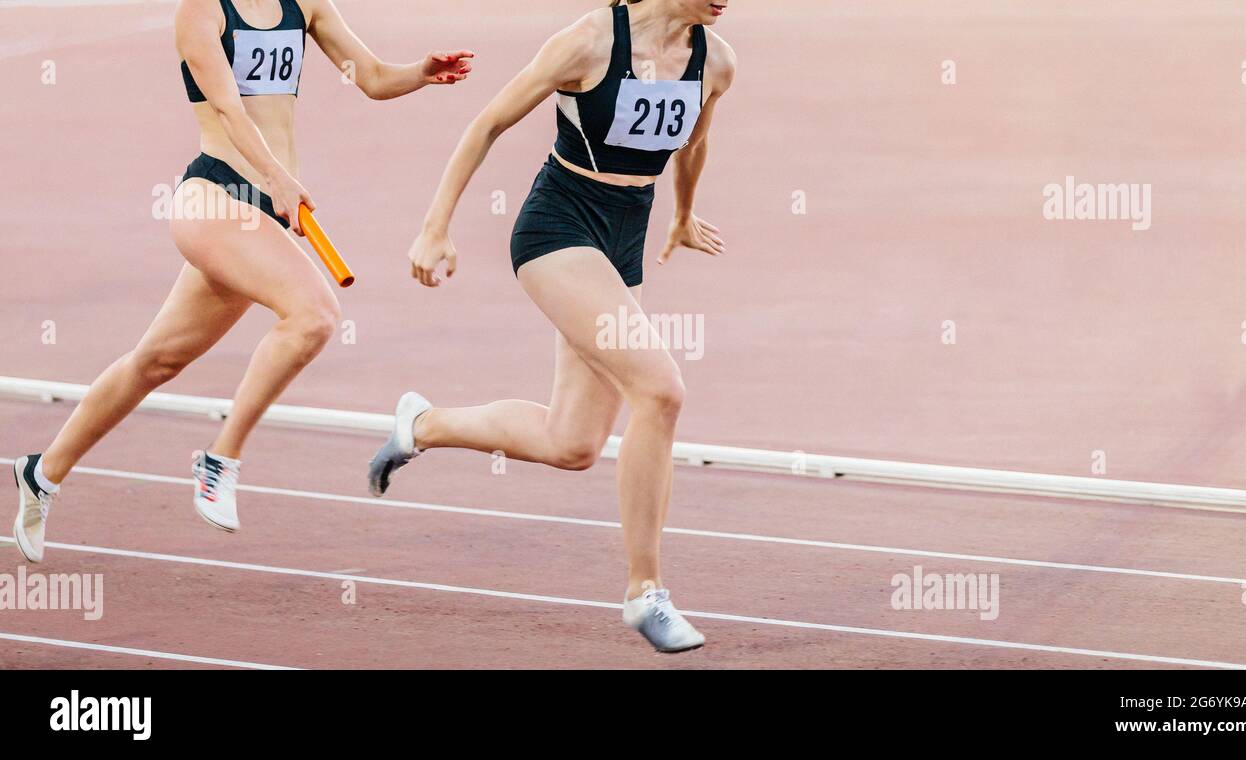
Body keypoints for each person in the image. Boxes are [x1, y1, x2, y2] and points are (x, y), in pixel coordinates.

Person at [10, 0, 473, 562]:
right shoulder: (201, 11)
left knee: (156, 360)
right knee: (314, 316)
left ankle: (43, 471)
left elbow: (370, 77)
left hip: (265, 204)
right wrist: (279, 177)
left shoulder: (305, 5)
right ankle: (220, 459)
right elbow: (229, 108)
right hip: (214, 194)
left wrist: (420, 74)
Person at [369, 0, 737, 652]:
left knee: (573, 443)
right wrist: (434, 228)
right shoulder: (590, 41)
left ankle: (420, 425)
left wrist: (683, 213)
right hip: (558, 229)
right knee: (661, 390)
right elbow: (488, 124)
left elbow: (697, 141)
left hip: (624, 237)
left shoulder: (716, 63)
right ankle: (644, 592)